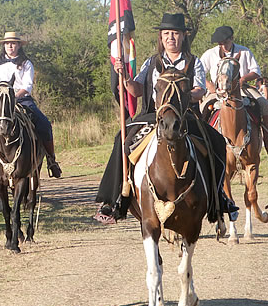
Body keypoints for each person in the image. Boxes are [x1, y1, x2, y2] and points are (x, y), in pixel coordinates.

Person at [95, 13, 233, 223]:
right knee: (121, 141)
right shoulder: (151, 62)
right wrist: (125, 78)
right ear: (161, 37)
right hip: (152, 116)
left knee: (216, 141)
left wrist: (185, 94)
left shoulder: (193, 62)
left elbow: (199, 90)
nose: (171, 37)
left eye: (175, 33)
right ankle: (114, 199)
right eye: (167, 33)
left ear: (183, 37)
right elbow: (137, 90)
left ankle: (218, 197)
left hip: (186, 116)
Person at [0, 32, 62, 184]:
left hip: (22, 100)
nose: (10, 46)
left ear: (19, 45)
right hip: (0, 103)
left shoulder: (26, 64)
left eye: (13, 43)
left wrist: (14, 98)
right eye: (7, 43)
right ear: (3, 46)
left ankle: (52, 160)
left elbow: (27, 86)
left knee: (44, 124)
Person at [200, 25, 268, 156]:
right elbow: (199, 72)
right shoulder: (210, 54)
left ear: (232, 38)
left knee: (264, 105)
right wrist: (209, 86)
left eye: (226, 42)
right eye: (220, 43)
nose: (223, 46)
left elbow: (256, 71)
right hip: (219, 90)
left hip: (241, 89)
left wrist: (243, 79)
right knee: (202, 108)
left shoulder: (244, 51)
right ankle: (202, 144)